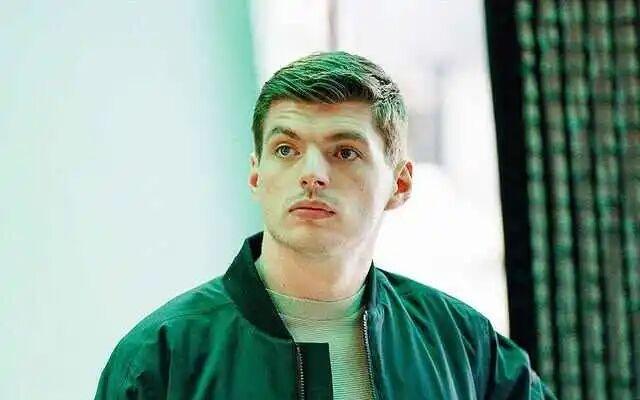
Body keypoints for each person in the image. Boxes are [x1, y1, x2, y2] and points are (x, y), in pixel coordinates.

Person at [94, 51, 556, 399]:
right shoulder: (161, 357)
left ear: (399, 183)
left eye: (345, 152)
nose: (312, 174)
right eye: (286, 150)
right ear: (256, 175)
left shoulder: (463, 344)